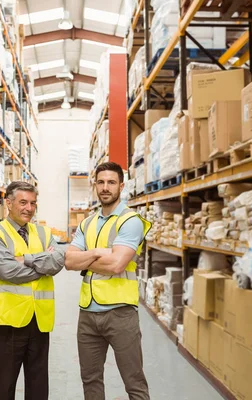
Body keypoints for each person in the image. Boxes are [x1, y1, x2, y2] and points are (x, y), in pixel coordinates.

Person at [65, 161, 152, 400]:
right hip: (88, 314)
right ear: (94, 185)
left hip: (120, 314)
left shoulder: (130, 221)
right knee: (90, 380)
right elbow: (69, 261)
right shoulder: (87, 222)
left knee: (134, 383)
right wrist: (97, 253)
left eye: (111, 182)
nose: (105, 187)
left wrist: (85, 258)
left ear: (121, 186)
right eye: (101, 182)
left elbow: (116, 265)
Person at [0, 181, 65, 400]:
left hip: (39, 319)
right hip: (8, 321)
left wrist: (25, 260)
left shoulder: (44, 233)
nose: (29, 208)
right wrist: (42, 266)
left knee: (38, 385)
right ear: (9, 203)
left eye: (33, 203)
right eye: (23, 202)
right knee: (3, 386)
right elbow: (8, 272)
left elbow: (57, 261)